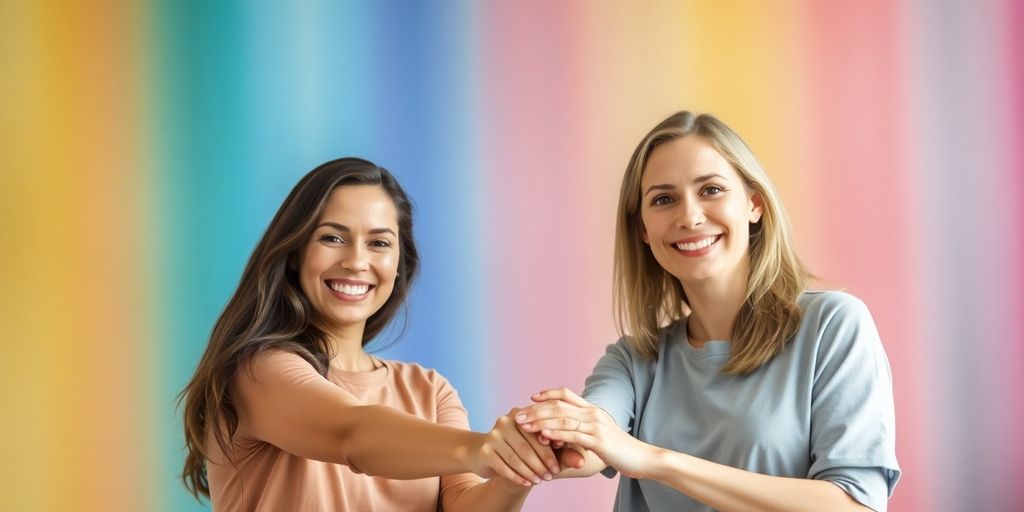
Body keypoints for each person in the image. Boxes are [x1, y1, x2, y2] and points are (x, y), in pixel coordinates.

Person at [514, 111, 901, 512]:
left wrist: (654, 461)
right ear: (643, 231)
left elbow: (855, 505)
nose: (689, 217)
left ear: (754, 205)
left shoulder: (833, 326)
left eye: (711, 190)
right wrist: (544, 433)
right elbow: (585, 450)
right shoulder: (633, 360)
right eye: (663, 199)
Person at [179, 158, 560, 511]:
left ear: (398, 264)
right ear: (295, 252)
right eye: (332, 238)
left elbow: (464, 503)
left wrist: (518, 465)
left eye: (379, 243)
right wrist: (483, 448)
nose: (357, 261)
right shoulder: (258, 371)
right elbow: (353, 434)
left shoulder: (429, 390)